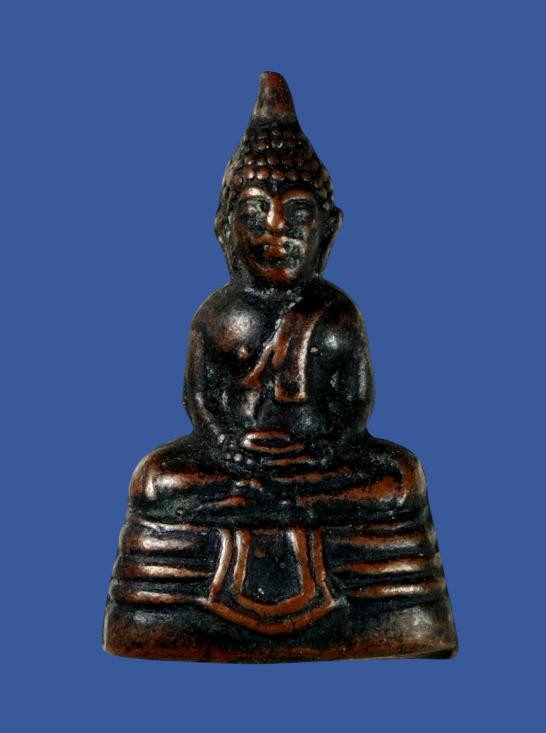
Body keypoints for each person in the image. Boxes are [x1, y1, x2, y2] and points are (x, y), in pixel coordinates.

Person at [104, 72, 457, 660]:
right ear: (224, 228)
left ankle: (396, 612)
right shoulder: (217, 314)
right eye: (254, 214)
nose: (275, 232)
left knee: (400, 478)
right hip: (236, 466)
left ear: (328, 231)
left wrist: (326, 449)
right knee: (157, 480)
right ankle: (164, 611)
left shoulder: (336, 313)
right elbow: (200, 401)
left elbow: (355, 402)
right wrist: (228, 446)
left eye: (296, 216)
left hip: (319, 463)